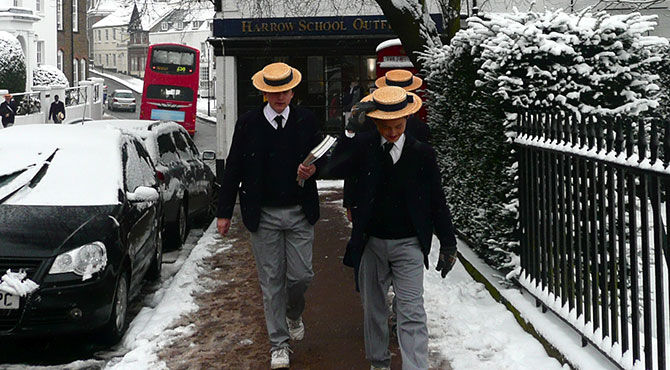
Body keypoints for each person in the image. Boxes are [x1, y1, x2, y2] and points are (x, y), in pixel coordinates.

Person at [324, 86, 458, 370]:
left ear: (407, 120)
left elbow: (437, 201)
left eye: (398, 126)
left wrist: (448, 243)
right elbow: (333, 169)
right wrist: (349, 132)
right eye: (387, 127)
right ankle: (379, 363)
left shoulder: (422, 154)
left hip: (409, 243)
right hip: (371, 242)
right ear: (375, 123)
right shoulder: (363, 148)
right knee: (374, 310)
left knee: (411, 311)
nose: (393, 132)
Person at [216, 62, 323, 369]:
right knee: (271, 281)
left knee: (301, 276)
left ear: (293, 91)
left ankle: (293, 313)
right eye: (274, 92)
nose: (280, 97)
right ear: (264, 91)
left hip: (300, 212)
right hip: (262, 216)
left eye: (286, 91)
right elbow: (234, 167)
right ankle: (279, 344)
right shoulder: (248, 124)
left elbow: (324, 159)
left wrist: (315, 169)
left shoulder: (305, 120)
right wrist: (224, 212)